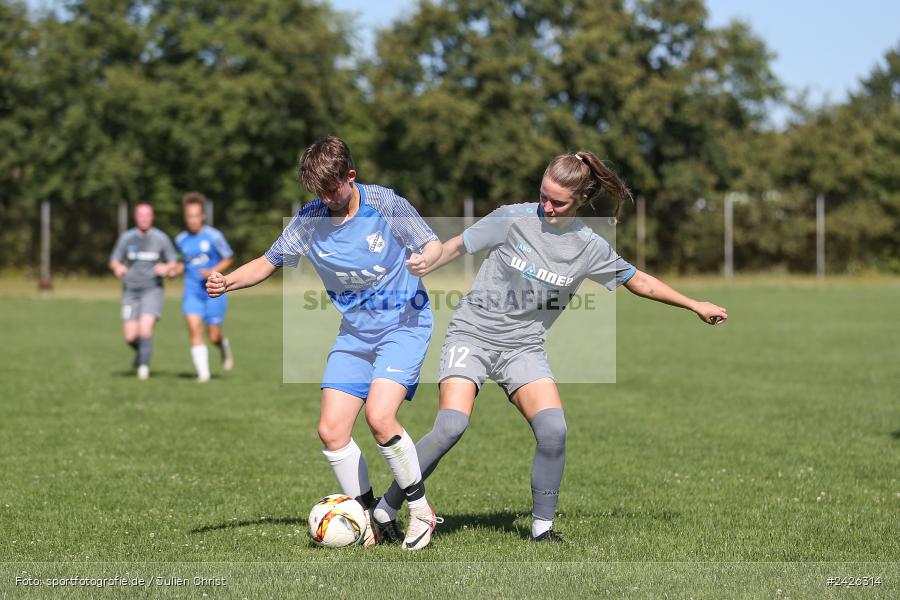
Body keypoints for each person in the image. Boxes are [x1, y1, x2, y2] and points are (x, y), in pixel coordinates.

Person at [373, 150, 729, 542]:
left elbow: (638, 281)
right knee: (451, 426)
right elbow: (458, 244)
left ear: (581, 199)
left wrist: (694, 304)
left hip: (523, 347)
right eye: (543, 195)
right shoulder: (512, 218)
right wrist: (428, 261)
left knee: (553, 430)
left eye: (557, 201)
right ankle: (387, 506)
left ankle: (542, 530)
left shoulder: (588, 247)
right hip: (472, 334)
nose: (547, 206)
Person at [205, 135, 444, 550]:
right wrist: (228, 282)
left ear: (351, 176)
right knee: (331, 430)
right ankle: (368, 517)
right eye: (318, 190)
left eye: (332, 188)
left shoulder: (385, 204)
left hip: (404, 324)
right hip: (355, 333)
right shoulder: (311, 218)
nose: (326, 198)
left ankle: (422, 512)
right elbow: (267, 262)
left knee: (380, 417)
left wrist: (426, 257)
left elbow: (432, 242)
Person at [108, 203, 179, 380]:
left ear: (152, 217)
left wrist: (168, 268)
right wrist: (117, 268)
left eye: (147, 215)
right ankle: (142, 353)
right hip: (130, 291)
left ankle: (143, 368)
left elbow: (174, 263)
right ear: (136, 217)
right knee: (130, 337)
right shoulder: (126, 238)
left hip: (152, 290)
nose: (144, 218)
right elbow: (114, 260)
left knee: (145, 330)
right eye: (141, 215)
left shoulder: (160, 238)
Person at [173, 193, 235, 382]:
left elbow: (229, 257)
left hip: (213, 292)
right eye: (189, 216)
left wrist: (213, 270)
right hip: (192, 291)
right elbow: (181, 263)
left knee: (213, 335)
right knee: (194, 329)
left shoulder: (214, 236)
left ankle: (222, 344)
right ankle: (203, 375)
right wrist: (175, 270)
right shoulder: (180, 239)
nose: (192, 220)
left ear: (203, 216)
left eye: (196, 216)